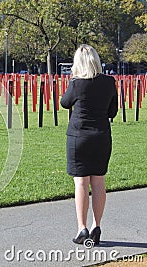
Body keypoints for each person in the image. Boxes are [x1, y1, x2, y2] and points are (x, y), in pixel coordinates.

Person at [60, 44, 118, 245]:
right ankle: (96, 226)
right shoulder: (109, 82)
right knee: (99, 182)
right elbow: (112, 112)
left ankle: (81, 228)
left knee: (81, 183)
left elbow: (65, 102)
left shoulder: (77, 83)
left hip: (79, 137)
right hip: (101, 136)